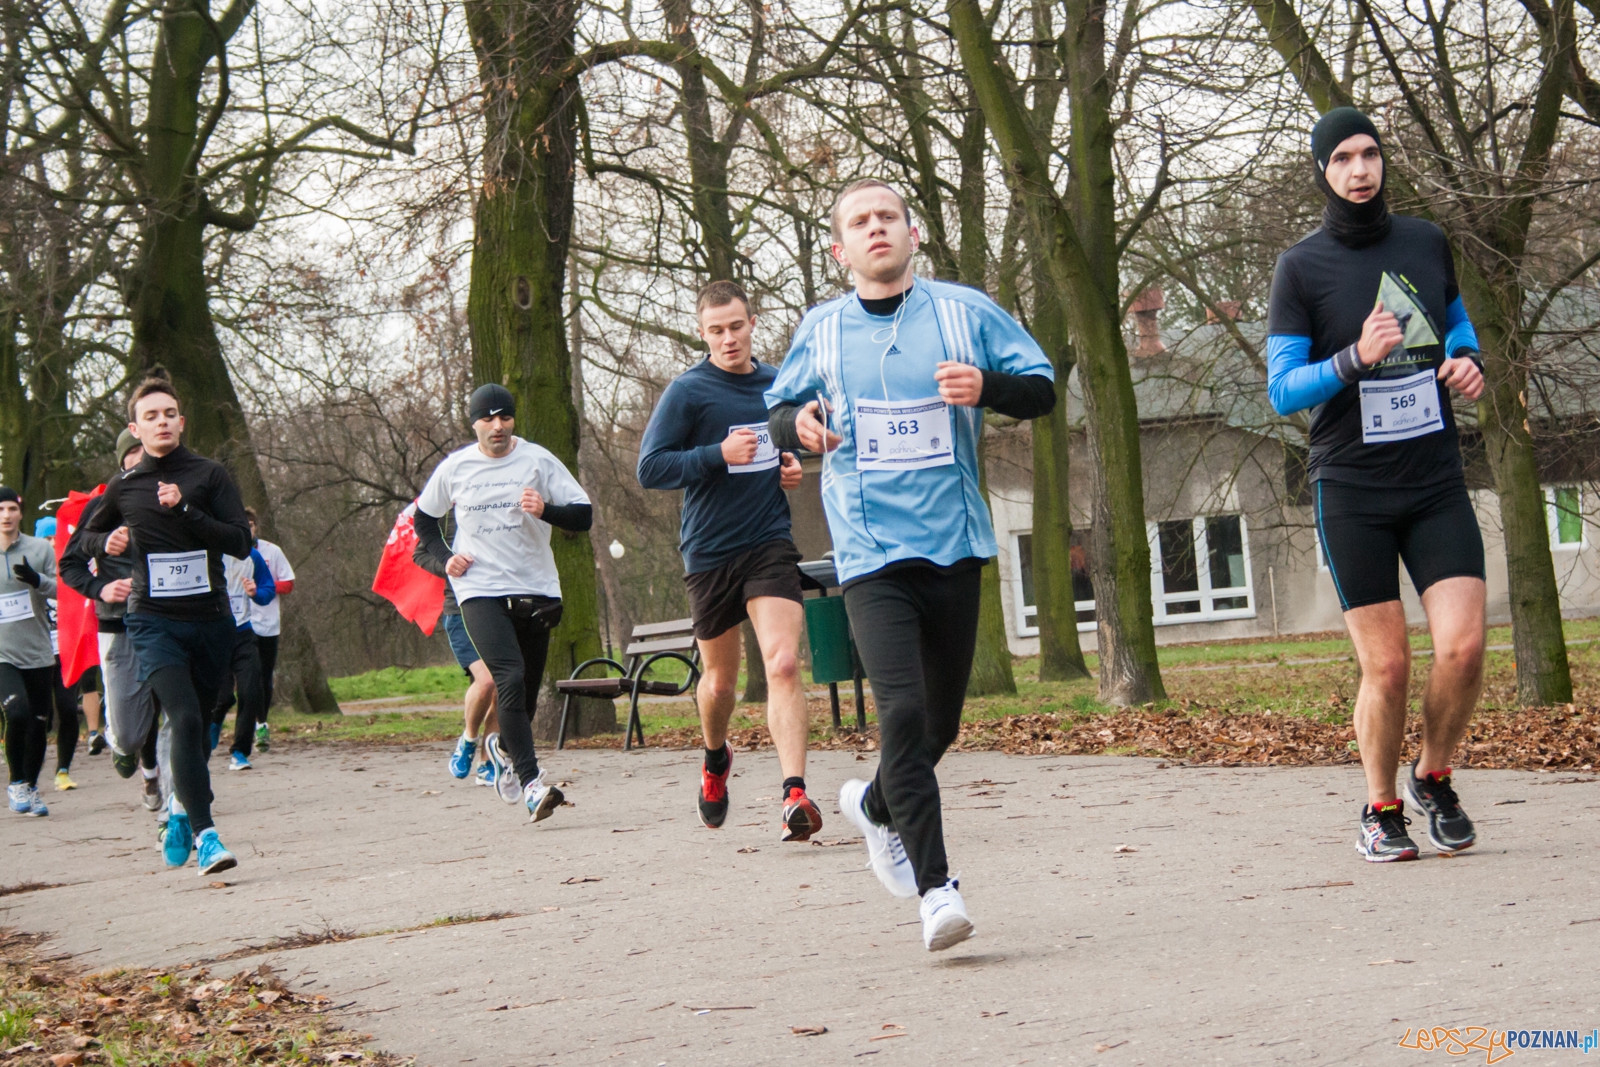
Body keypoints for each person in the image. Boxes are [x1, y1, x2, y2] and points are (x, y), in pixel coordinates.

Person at [765, 179, 1056, 951]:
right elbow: (777, 412)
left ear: (912, 233)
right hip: (870, 552)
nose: (876, 228)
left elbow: (1042, 388)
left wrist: (988, 386)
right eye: (860, 221)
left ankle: (875, 806)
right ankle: (937, 892)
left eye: (887, 216)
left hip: (954, 541)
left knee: (940, 724)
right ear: (841, 249)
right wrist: (799, 426)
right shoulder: (823, 329)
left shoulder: (964, 312)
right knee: (901, 712)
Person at [1265, 108, 1487, 863]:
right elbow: (1283, 389)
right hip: (1352, 487)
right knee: (1387, 666)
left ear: (1383, 160)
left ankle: (1433, 776)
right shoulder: (1301, 267)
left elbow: (1457, 327)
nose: (1359, 170)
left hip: (1434, 478)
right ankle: (1380, 807)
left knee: (1464, 647)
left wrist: (1468, 362)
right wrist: (1354, 358)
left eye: (1369, 154)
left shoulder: (1425, 241)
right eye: (1341, 159)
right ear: (1322, 171)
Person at [638, 280, 819, 839]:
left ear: (752, 324)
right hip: (710, 550)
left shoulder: (778, 386)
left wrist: (792, 465)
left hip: (768, 542)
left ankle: (794, 794)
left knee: (783, 664)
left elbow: (793, 444)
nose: (728, 338)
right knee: (719, 686)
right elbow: (651, 468)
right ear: (702, 333)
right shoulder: (688, 392)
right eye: (716, 330)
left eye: (736, 326)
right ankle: (715, 758)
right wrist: (716, 454)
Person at [81, 373, 253, 876]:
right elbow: (81, 541)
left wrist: (187, 510)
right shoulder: (125, 486)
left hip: (211, 619)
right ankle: (207, 837)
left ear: (182, 421)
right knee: (183, 716)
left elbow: (240, 542)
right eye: (151, 416)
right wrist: (104, 542)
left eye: (169, 414)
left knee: (199, 726)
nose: (162, 422)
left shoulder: (210, 475)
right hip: (152, 621)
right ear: (135, 429)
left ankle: (179, 808)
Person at [414, 383, 593, 822]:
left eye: (505, 417)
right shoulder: (455, 468)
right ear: (474, 423)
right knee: (507, 676)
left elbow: (583, 513)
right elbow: (424, 520)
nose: (498, 426)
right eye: (488, 418)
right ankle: (533, 785)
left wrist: (546, 510)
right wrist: (445, 558)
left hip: (535, 587)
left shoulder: (537, 460)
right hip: (479, 589)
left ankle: (502, 749)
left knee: (525, 694)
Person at [59, 431, 165, 813]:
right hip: (119, 626)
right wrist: (101, 587)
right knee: (130, 729)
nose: (140, 458)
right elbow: (70, 563)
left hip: (168, 620)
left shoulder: (172, 497)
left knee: (169, 705)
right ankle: (123, 743)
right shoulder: (105, 504)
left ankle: (165, 783)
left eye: (145, 451)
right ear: (121, 462)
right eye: (132, 452)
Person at [411, 508, 501, 788]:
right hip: (460, 609)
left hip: (502, 608)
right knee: (486, 681)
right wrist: (449, 564)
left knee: (504, 685)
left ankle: (488, 762)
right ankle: (469, 738)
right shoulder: (448, 514)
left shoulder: (501, 507)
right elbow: (420, 554)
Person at [1, 488, 60, 817]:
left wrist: (38, 581)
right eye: (0, 510)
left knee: (39, 722)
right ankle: (16, 782)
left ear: (21, 513)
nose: (6, 515)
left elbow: (61, 591)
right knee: (17, 712)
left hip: (37, 651)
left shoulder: (40, 549)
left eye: (11, 508)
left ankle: (32, 787)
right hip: (2, 654)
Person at [211, 547, 275, 770]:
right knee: (223, 696)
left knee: (250, 690)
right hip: (214, 635)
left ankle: (240, 751)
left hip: (243, 633)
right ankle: (214, 723)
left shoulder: (251, 556)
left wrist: (256, 593)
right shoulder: (208, 551)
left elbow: (268, 589)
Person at [244, 508, 294, 752]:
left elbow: (288, 583)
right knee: (248, 676)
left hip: (269, 624)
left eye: (250, 525)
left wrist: (264, 585)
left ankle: (261, 724)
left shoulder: (272, 551)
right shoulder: (228, 554)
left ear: (256, 527)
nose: (247, 529)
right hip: (243, 623)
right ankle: (245, 726)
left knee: (264, 676)